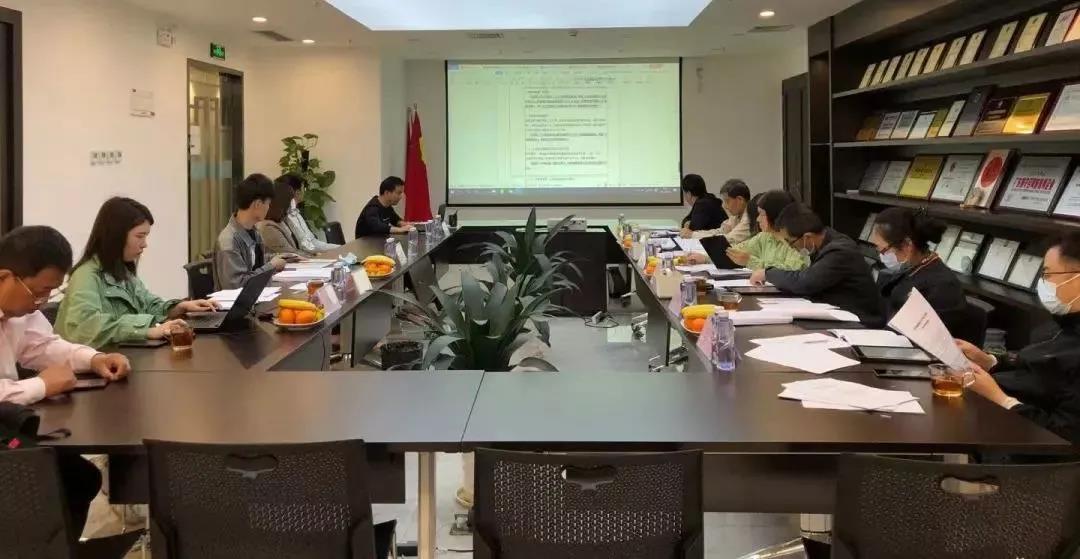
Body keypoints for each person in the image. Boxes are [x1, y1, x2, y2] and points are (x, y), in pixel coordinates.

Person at [0, 225, 132, 539]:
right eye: (39, 291)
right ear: (5, 277)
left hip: (6, 427)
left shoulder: (19, 312)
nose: (43, 301)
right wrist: (41, 385)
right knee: (56, 480)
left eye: (51, 292)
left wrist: (94, 359)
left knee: (79, 477)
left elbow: (44, 346)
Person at [957, 233, 1080, 445]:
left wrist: (1002, 401)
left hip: (1023, 446)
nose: (1042, 283)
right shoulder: (1060, 326)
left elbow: (1066, 436)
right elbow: (1037, 368)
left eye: (1047, 274)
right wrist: (990, 362)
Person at [55, 198, 217, 348]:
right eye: (140, 236)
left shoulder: (122, 271)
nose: (144, 244)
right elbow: (84, 326)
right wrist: (147, 330)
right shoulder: (85, 275)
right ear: (116, 236)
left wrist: (180, 307)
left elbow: (148, 304)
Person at [750, 204, 885, 326]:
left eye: (790, 242)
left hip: (858, 322)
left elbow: (805, 282)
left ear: (807, 237)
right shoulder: (826, 242)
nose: (791, 247)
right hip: (837, 315)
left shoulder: (840, 251)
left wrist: (767, 273)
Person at [870, 207, 969, 336]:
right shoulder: (910, 269)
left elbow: (927, 338)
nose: (881, 255)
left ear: (907, 245)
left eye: (883, 250)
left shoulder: (942, 286)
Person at [214, 173, 289, 290]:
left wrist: (282, 257)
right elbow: (236, 285)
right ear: (258, 204)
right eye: (268, 203)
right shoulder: (228, 240)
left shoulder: (254, 232)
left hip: (258, 296)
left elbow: (254, 261)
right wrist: (271, 266)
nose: (269, 208)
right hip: (236, 300)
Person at [721, 190, 809, 271]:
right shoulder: (764, 237)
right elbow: (735, 251)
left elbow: (794, 272)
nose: (758, 219)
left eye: (762, 214)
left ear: (774, 215)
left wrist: (751, 262)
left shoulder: (796, 241)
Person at [277, 173, 341, 253]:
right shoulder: (287, 216)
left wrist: (339, 248)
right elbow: (307, 246)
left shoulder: (295, 212)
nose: (305, 192)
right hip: (303, 257)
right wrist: (339, 248)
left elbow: (311, 242)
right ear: (297, 192)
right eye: (304, 189)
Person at [686, 178, 753, 244]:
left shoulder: (750, 217)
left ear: (739, 200)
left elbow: (728, 239)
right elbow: (720, 231)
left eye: (727, 201)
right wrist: (693, 233)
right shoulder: (735, 216)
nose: (725, 206)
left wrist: (693, 235)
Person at [258, 181, 309, 257]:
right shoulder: (268, 228)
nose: (294, 204)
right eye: (291, 200)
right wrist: (313, 257)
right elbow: (290, 254)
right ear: (282, 203)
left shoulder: (283, 221)